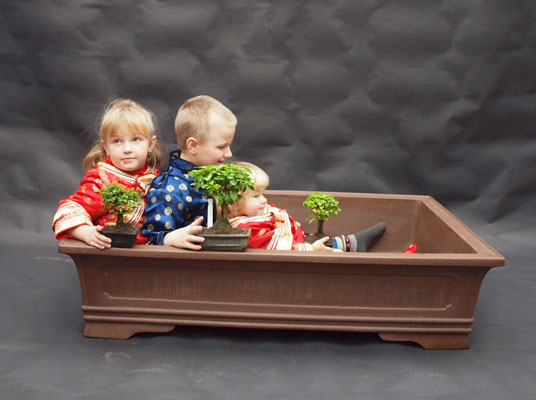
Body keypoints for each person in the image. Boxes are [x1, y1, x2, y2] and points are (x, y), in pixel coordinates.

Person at [53, 98, 163, 249]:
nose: (127, 149)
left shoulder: (156, 178)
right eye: (117, 141)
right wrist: (85, 232)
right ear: (106, 147)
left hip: (150, 253)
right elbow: (69, 209)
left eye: (135, 139)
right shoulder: (102, 180)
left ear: (150, 144)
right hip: (112, 253)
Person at [142, 95, 236, 249]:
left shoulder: (217, 178)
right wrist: (167, 238)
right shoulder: (169, 190)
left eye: (229, 145)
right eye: (221, 147)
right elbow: (151, 242)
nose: (229, 153)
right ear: (193, 145)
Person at [227, 162, 387, 252]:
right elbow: (276, 248)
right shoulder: (246, 228)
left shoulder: (257, 215)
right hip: (294, 254)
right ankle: (352, 244)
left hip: (299, 240)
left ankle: (351, 243)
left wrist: (289, 226)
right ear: (234, 202)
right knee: (320, 245)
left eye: (263, 194)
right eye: (256, 196)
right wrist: (311, 249)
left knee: (316, 237)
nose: (264, 200)